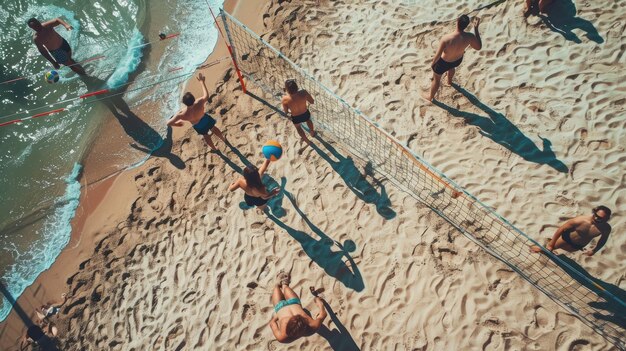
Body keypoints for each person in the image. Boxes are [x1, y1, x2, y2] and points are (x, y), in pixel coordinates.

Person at [422, 15, 482, 103]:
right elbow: (478, 47)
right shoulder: (470, 36)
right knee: (451, 68)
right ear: (467, 25)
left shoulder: (446, 39)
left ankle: (430, 97)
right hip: (457, 60)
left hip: (443, 63)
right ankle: (449, 82)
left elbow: (438, 55)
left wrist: (433, 64)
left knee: (436, 80)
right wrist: (476, 29)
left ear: (457, 21)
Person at [167, 73, 226, 151]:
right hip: (205, 119)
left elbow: (168, 123)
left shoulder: (182, 114)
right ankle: (223, 139)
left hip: (198, 125)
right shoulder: (199, 102)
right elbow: (206, 95)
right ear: (194, 99)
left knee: (206, 136)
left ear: (184, 103)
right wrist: (202, 82)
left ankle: (214, 148)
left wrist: (177, 124)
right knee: (214, 128)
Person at [268, 271, 327, 343]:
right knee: (285, 287)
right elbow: (323, 314)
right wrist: (319, 303)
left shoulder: (282, 337)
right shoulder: (313, 325)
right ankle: (284, 285)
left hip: (280, 307)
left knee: (276, 287)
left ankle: (278, 285)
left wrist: (277, 316)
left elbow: (272, 323)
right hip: (293, 302)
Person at [531, 206, 612, 255]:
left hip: (577, 246)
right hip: (566, 239)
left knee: (563, 251)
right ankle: (542, 246)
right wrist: (551, 244)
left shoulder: (606, 229)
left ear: (606, 219)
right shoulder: (580, 220)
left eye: (601, 218)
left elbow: (603, 240)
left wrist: (594, 250)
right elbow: (561, 229)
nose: (597, 218)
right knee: (548, 249)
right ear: (594, 213)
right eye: (596, 215)